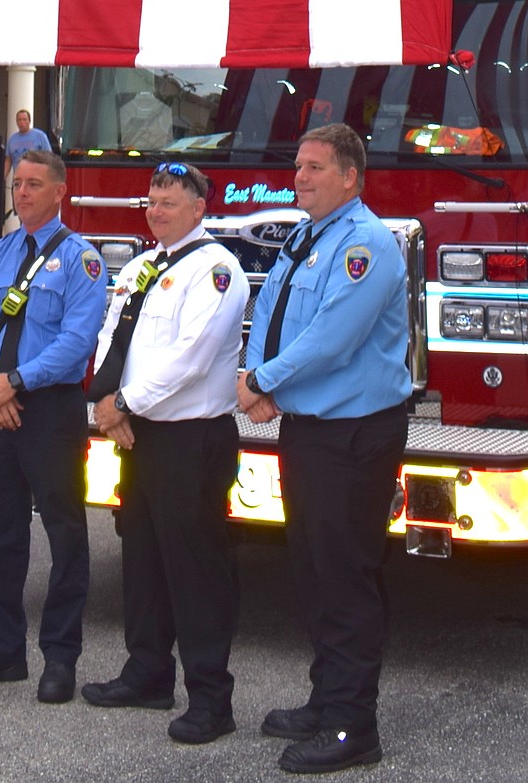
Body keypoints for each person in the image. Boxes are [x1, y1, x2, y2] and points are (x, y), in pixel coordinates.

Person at [237, 123, 410, 774]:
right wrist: (262, 385)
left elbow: (332, 338)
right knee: (311, 571)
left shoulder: (366, 244)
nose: (299, 176)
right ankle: (325, 698)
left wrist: (261, 382)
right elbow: (274, 317)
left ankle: (352, 726)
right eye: (298, 166)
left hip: (354, 433)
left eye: (314, 167)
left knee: (344, 577)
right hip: (308, 427)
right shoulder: (305, 238)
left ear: (350, 177)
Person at [81, 162, 248, 744]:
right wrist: (105, 402)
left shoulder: (217, 270)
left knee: (195, 568)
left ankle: (211, 698)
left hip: (190, 440)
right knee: (143, 560)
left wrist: (122, 402)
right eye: (151, 201)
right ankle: (147, 673)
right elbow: (112, 336)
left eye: (169, 202)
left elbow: (192, 356)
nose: (155, 210)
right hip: (139, 434)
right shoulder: (140, 265)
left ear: (199, 208)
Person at [0, 150, 106, 704]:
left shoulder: (83, 260)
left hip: (49, 411)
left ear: (60, 191)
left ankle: (60, 658)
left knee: (64, 535)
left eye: (35, 184)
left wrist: (13, 381)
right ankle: (2, 649)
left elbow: (76, 344)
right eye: (18, 184)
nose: (23, 193)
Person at [4, 110, 51, 179]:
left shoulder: (40, 136)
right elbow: (8, 160)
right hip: (18, 179)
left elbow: (49, 158)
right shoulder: (12, 139)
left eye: (24, 119)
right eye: (19, 120)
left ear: (29, 121)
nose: (22, 122)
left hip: (36, 179)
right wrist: (2, 177)